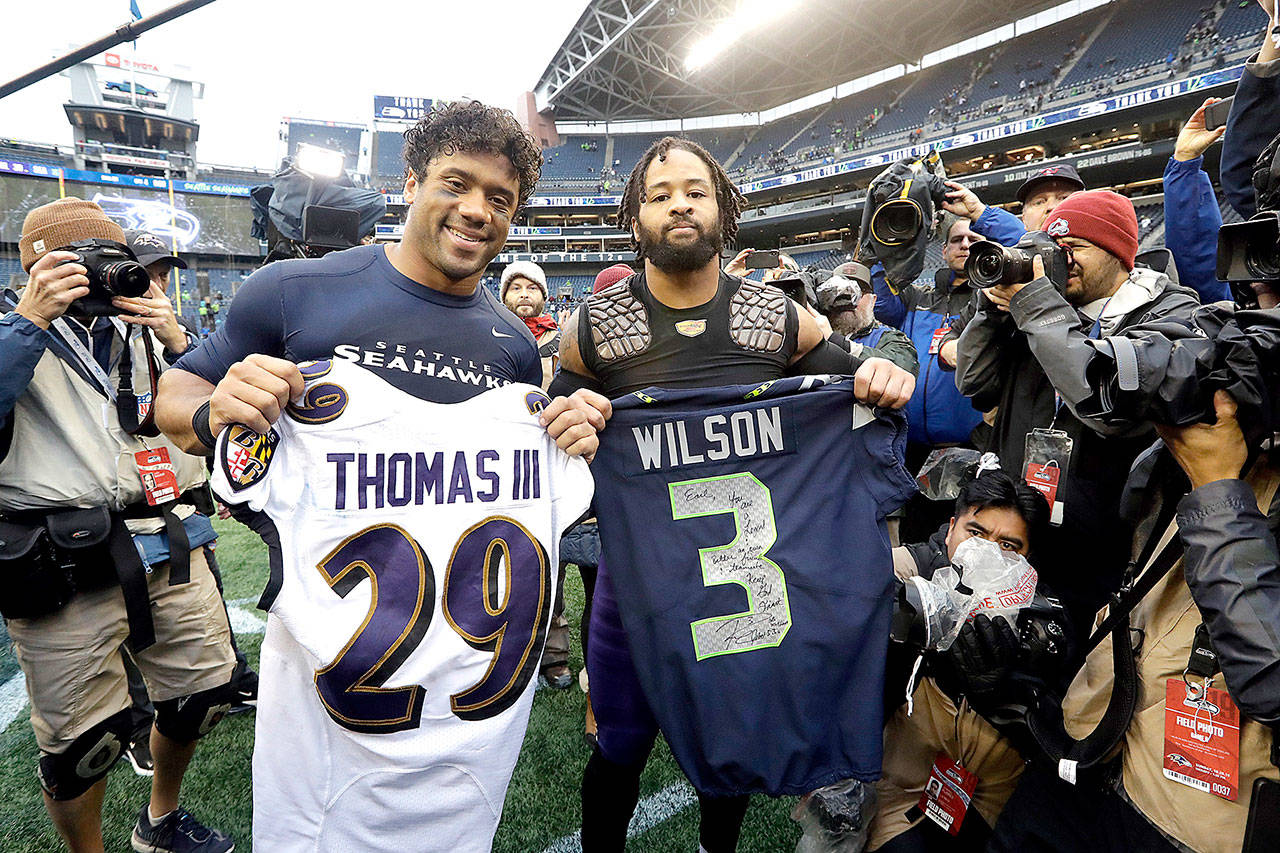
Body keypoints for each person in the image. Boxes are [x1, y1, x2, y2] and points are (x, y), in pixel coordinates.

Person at [153, 100, 609, 853]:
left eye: (500, 199)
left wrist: (568, 427)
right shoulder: (295, 290)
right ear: (408, 183)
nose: (476, 210)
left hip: (461, 706)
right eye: (456, 184)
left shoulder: (511, 347)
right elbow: (175, 393)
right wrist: (215, 409)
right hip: (329, 695)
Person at [550, 135, 914, 852]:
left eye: (696, 189)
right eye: (659, 194)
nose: (679, 203)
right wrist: (564, 415)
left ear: (723, 209)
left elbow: (859, 375)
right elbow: (552, 423)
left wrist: (888, 370)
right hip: (639, 583)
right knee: (618, 748)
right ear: (635, 219)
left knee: (735, 747)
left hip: (746, 589)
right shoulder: (595, 328)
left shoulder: (773, 316)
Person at [1, 198, 237, 853]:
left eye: (117, 259)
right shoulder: (12, 323)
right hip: (63, 559)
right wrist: (29, 320)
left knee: (201, 694)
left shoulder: (147, 325)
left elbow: (222, 409)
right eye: (90, 261)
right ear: (41, 265)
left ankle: (160, 818)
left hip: (171, 540)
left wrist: (181, 337)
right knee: (83, 744)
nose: (111, 274)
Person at [992, 373, 1280, 852]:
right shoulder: (1231, 440)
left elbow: (1271, 681)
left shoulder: (1221, 468)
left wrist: (1217, 491)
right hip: (1093, 741)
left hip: (1191, 816)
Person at [954, 190, 1200, 633]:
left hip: (1104, 554)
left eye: (1075, 249)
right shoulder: (1033, 308)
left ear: (1119, 253)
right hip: (1017, 536)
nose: (1060, 261)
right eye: (1054, 248)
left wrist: (1037, 310)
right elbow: (974, 382)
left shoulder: (1170, 311)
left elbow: (1111, 407)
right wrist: (990, 314)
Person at [870, 470, 1050, 852]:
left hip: (994, 785)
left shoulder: (1042, 616)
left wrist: (1001, 688)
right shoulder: (913, 572)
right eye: (977, 533)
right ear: (950, 529)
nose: (987, 552)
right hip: (907, 772)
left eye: (1008, 546)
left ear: (1028, 558)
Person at [873, 214, 987, 541]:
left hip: (970, 447)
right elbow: (881, 304)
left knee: (966, 539)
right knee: (916, 539)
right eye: (956, 240)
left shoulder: (991, 299)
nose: (965, 244)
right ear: (945, 249)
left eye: (974, 239)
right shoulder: (918, 297)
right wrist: (883, 244)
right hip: (916, 450)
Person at [499, 259, 572, 688]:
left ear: (544, 295)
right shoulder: (492, 335)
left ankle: (556, 657)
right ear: (504, 295)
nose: (524, 294)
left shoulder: (563, 339)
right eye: (516, 288)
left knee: (556, 558)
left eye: (532, 288)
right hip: (507, 464)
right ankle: (513, 653)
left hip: (554, 458)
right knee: (512, 562)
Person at [818, 262, 918, 375]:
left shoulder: (891, 339)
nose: (849, 298)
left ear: (873, 300)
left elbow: (903, 367)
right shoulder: (816, 332)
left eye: (859, 291)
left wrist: (838, 342)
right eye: (841, 291)